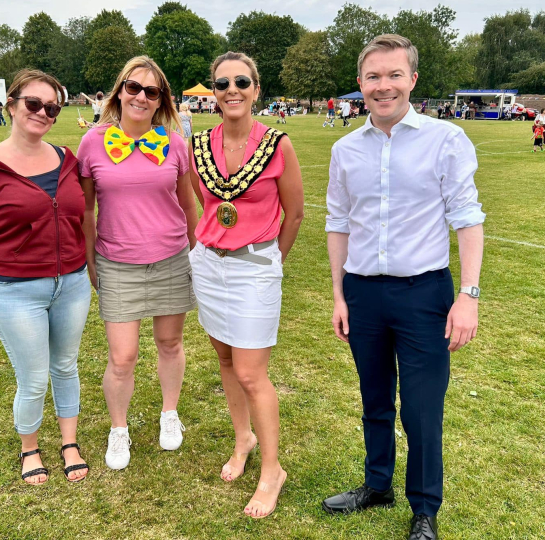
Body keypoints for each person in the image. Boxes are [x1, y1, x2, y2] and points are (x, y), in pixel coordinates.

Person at [323, 34, 485, 540]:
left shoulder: (446, 139)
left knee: (420, 409)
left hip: (424, 294)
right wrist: (339, 294)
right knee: (375, 399)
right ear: (360, 84)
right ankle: (377, 485)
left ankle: (424, 509)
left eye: (394, 74)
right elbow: (338, 223)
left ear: (413, 80)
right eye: (373, 76)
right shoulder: (345, 148)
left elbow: (468, 218)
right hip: (365, 293)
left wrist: (468, 296)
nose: (384, 85)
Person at [0, 69, 92, 485]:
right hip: (15, 291)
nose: (43, 113)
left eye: (51, 107)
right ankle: (30, 449)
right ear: (12, 105)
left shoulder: (68, 160)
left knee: (66, 366)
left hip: (71, 283)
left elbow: (78, 216)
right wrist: (15, 263)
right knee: (33, 377)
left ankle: (69, 443)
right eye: (33, 104)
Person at [188, 51, 304, 519]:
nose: (231, 89)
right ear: (213, 93)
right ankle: (244, 440)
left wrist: (269, 259)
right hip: (209, 265)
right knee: (225, 359)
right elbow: (205, 205)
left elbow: (294, 214)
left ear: (256, 89)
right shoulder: (199, 146)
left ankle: (271, 470)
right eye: (222, 83)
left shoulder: (278, 144)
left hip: (255, 266)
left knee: (253, 373)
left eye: (241, 81)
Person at [77, 56, 197, 472]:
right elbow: (86, 211)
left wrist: (196, 252)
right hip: (117, 263)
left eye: (151, 91)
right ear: (119, 91)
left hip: (170, 257)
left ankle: (169, 413)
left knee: (170, 344)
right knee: (122, 357)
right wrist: (91, 261)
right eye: (133, 88)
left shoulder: (175, 143)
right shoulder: (93, 142)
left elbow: (189, 203)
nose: (141, 97)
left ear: (161, 99)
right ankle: (118, 429)